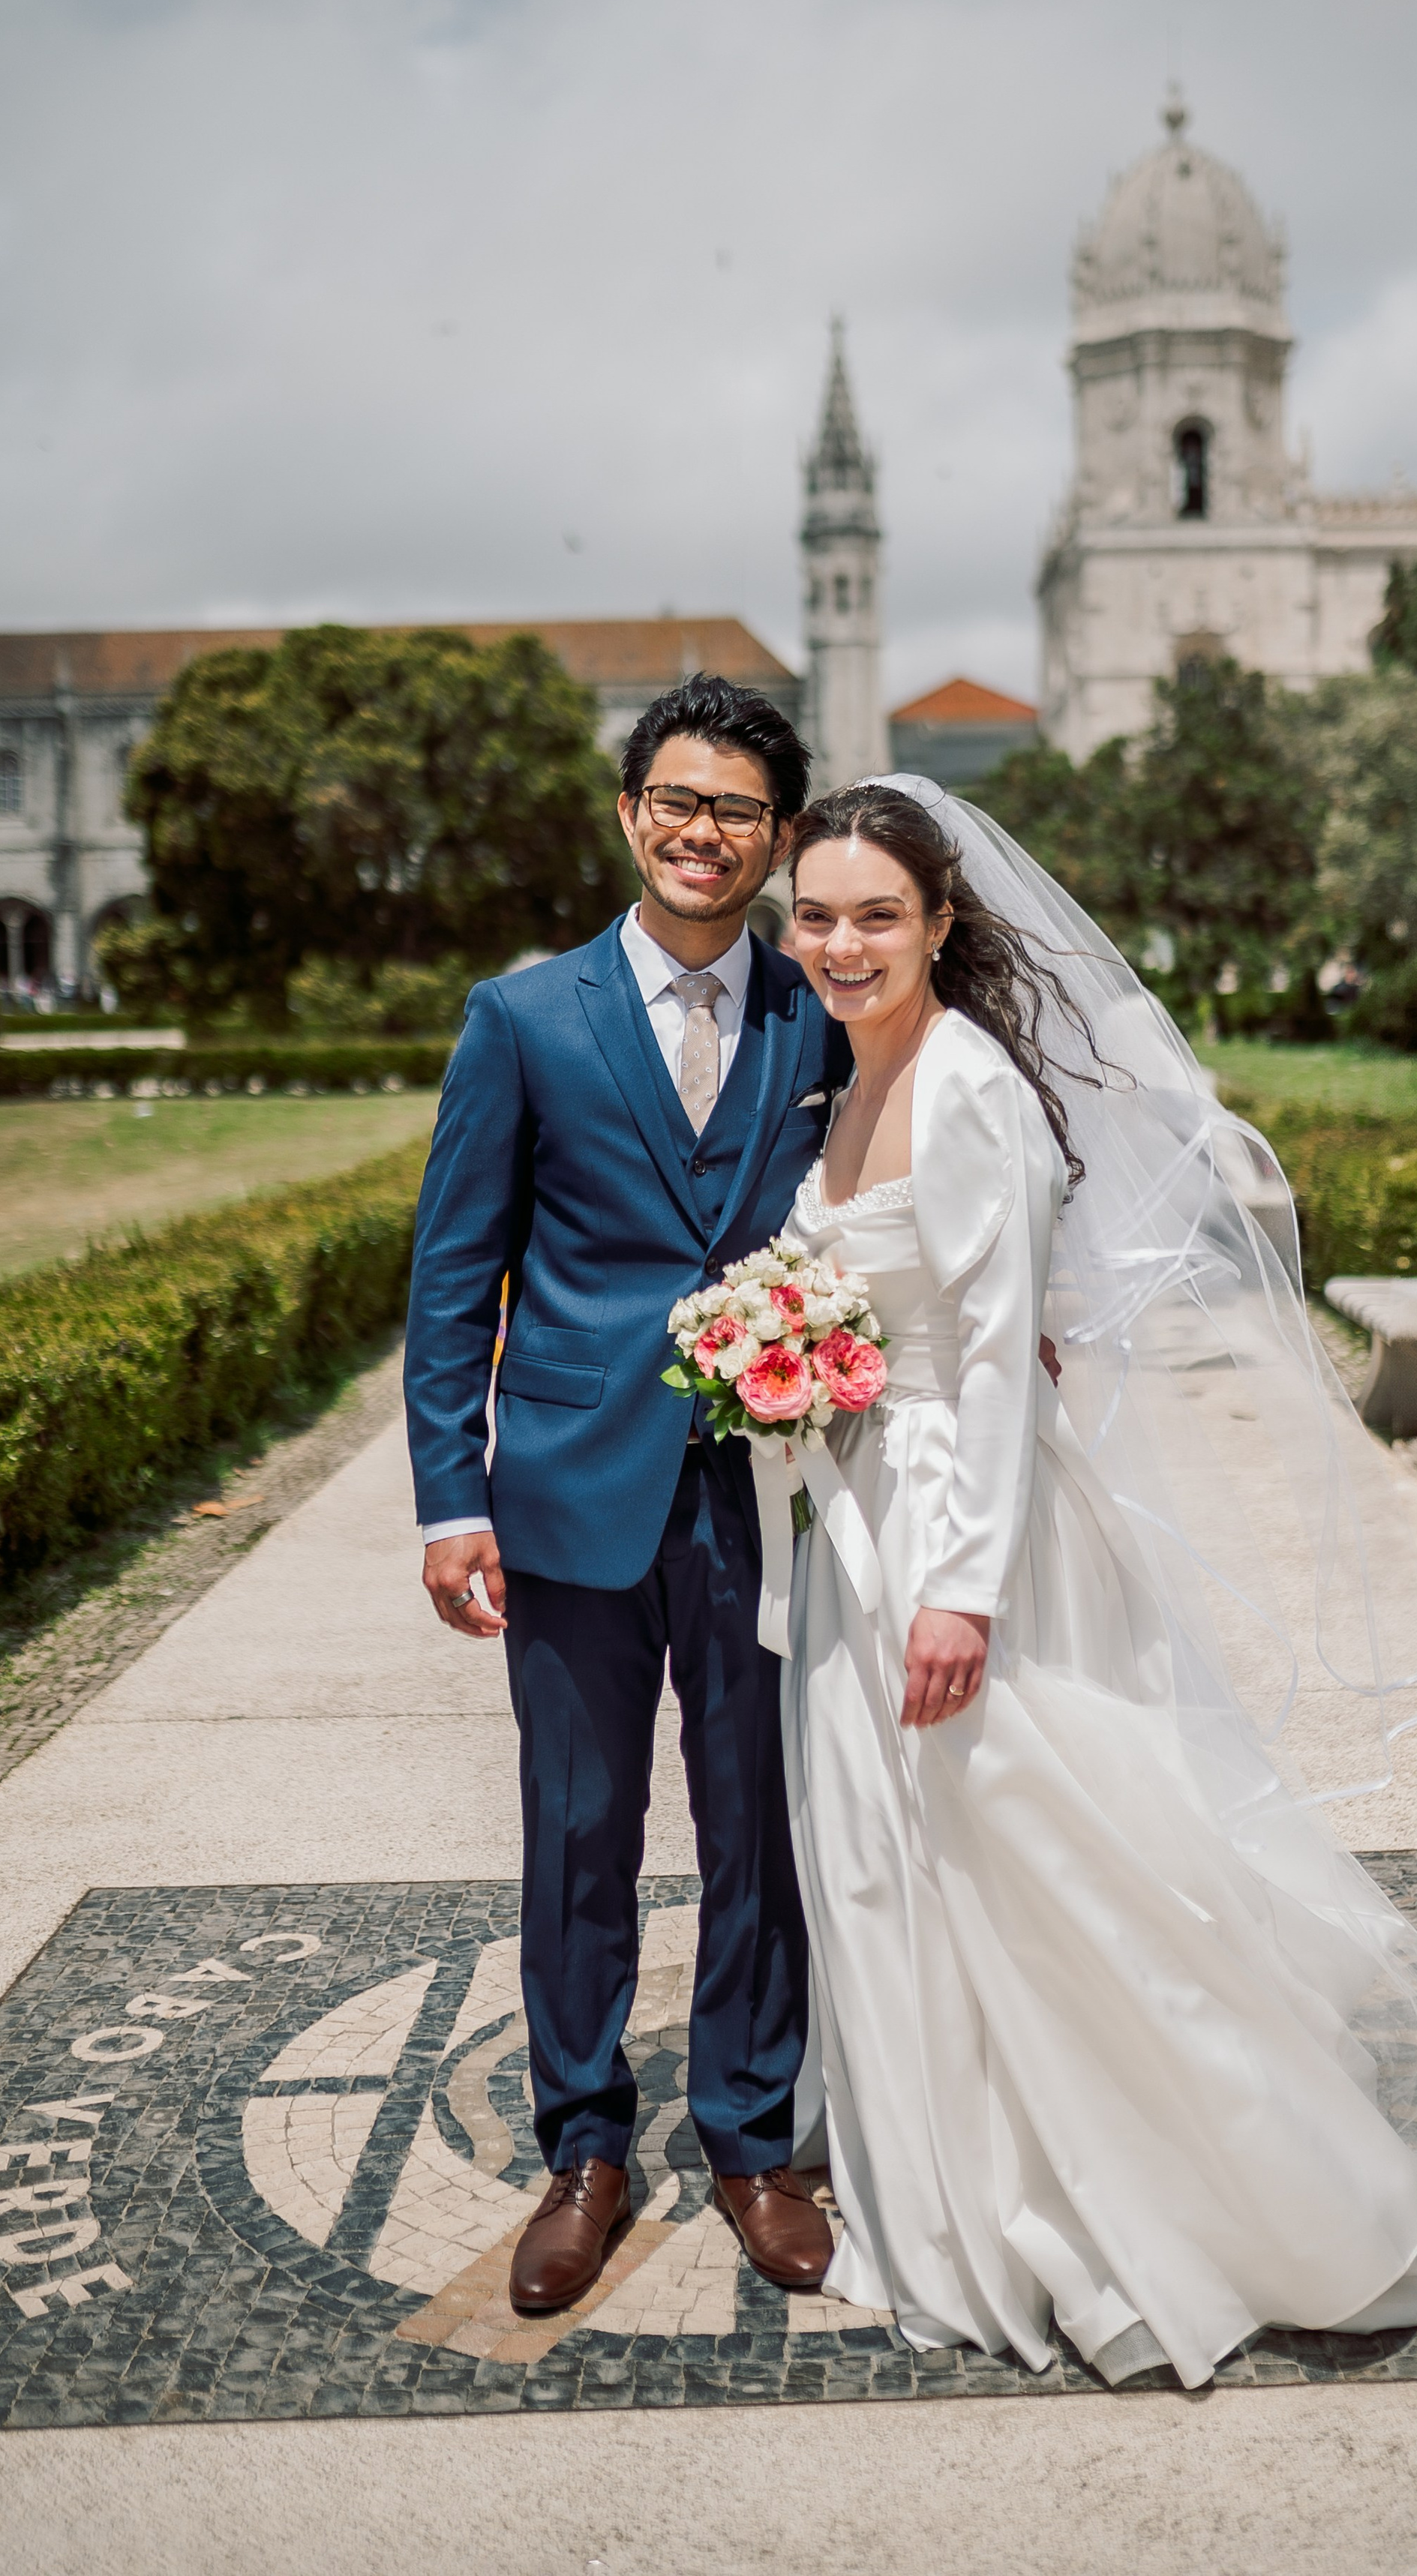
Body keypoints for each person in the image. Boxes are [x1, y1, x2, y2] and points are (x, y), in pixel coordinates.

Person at [777, 777, 1417, 2390]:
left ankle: (1174, 2192)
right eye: (817, 916)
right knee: (894, 1851)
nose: (841, 944)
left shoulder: (966, 1085)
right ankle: (954, 2173)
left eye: (875, 916)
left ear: (941, 923)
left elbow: (998, 1357)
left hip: (959, 1527)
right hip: (867, 1505)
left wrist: (962, 1591)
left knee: (1030, 1844)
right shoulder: (854, 1079)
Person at [404, 673, 846, 2314]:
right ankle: (584, 2149)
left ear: (777, 838)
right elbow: (454, 1274)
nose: (701, 832)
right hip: (570, 1497)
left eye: (736, 809)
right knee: (579, 1830)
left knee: (758, 1830)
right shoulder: (521, 1017)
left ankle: (749, 2139)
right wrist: (450, 1500)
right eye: (676, 801)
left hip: (767, 1494)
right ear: (628, 814)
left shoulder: (822, 1014)